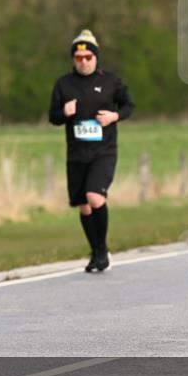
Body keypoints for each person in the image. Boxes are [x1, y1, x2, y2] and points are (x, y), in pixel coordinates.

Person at [48, 30, 135, 272]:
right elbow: (53, 117)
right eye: (79, 58)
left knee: (94, 197)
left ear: (96, 58)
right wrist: (64, 113)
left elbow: (129, 105)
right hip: (76, 154)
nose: (84, 61)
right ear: (73, 59)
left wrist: (114, 116)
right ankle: (96, 251)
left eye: (88, 57)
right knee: (84, 206)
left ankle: (102, 250)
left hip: (103, 151)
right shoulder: (64, 84)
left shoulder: (110, 81)